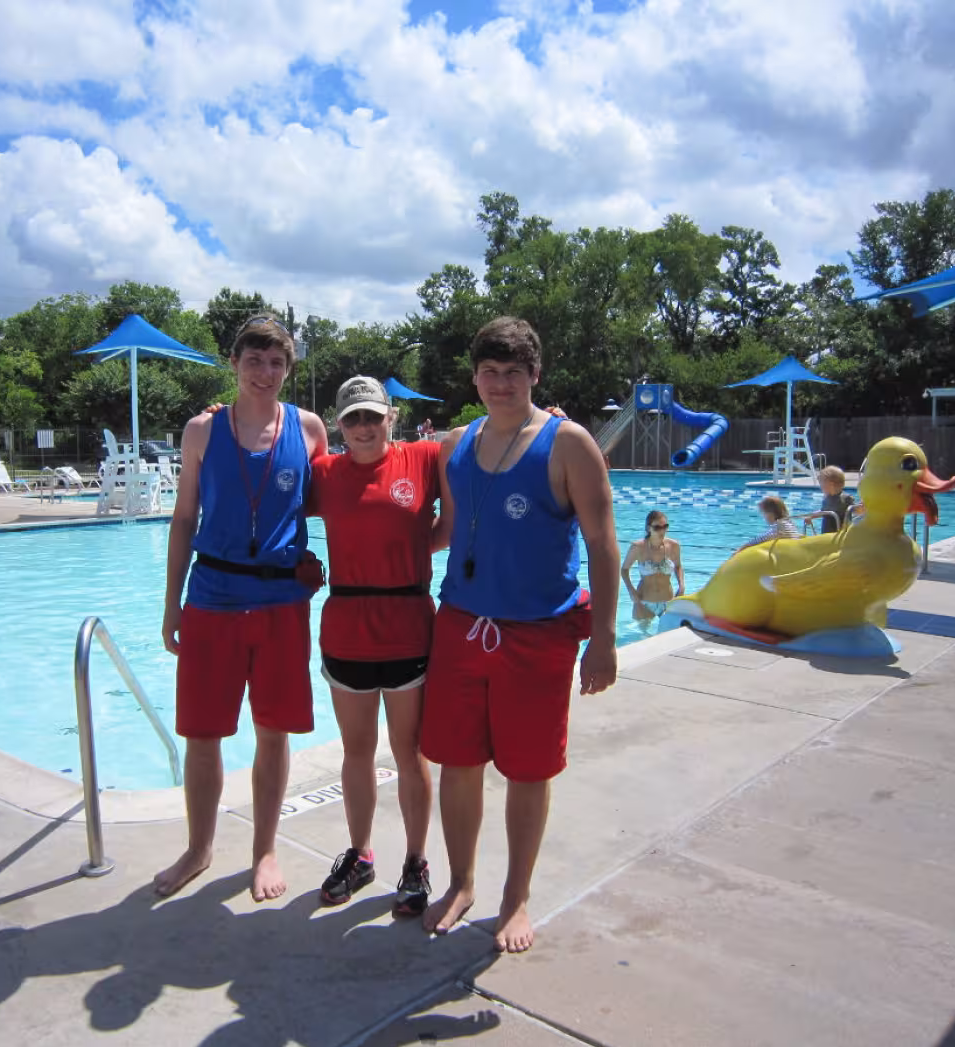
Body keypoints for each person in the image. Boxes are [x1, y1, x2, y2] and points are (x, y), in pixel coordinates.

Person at [420, 316, 620, 954]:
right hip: (459, 626)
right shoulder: (457, 442)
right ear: (473, 377)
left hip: (536, 635)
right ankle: (460, 883)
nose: (499, 383)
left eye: (513, 372)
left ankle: (516, 897)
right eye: (488, 372)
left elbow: (603, 545)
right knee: (457, 761)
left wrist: (606, 638)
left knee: (528, 770)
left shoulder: (568, 444)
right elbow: (444, 523)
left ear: (534, 376)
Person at [156, 314, 329, 902]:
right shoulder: (201, 432)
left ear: (289, 368)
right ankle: (199, 848)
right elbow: (184, 520)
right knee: (202, 733)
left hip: (281, 602)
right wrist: (172, 603)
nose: (265, 372)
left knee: (273, 733)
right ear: (234, 364)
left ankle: (265, 850)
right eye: (254, 361)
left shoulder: (308, 430)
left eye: (277, 362)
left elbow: (343, 497)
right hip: (213, 597)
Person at [308, 376, 442, 916]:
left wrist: (547, 418)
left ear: (391, 418)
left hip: (408, 625)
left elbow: (487, 435)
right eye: (352, 418)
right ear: (339, 425)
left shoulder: (425, 460)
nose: (363, 427)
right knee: (357, 752)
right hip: (347, 627)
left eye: (372, 416)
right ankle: (361, 856)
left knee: (410, 753)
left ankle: (415, 861)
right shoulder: (325, 473)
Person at [621, 510, 684, 623]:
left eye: (665, 526)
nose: (662, 531)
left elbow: (678, 566)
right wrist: (631, 591)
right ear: (648, 528)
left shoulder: (674, 545)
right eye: (657, 528)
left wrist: (681, 585)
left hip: (668, 602)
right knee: (643, 637)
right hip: (644, 602)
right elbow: (624, 570)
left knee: (669, 637)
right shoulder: (638, 547)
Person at [803, 465, 856, 535]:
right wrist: (811, 516)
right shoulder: (827, 499)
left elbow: (856, 511)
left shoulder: (846, 498)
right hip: (826, 535)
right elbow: (823, 511)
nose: (820, 487)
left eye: (821, 484)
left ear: (830, 484)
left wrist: (861, 508)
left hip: (840, 536)